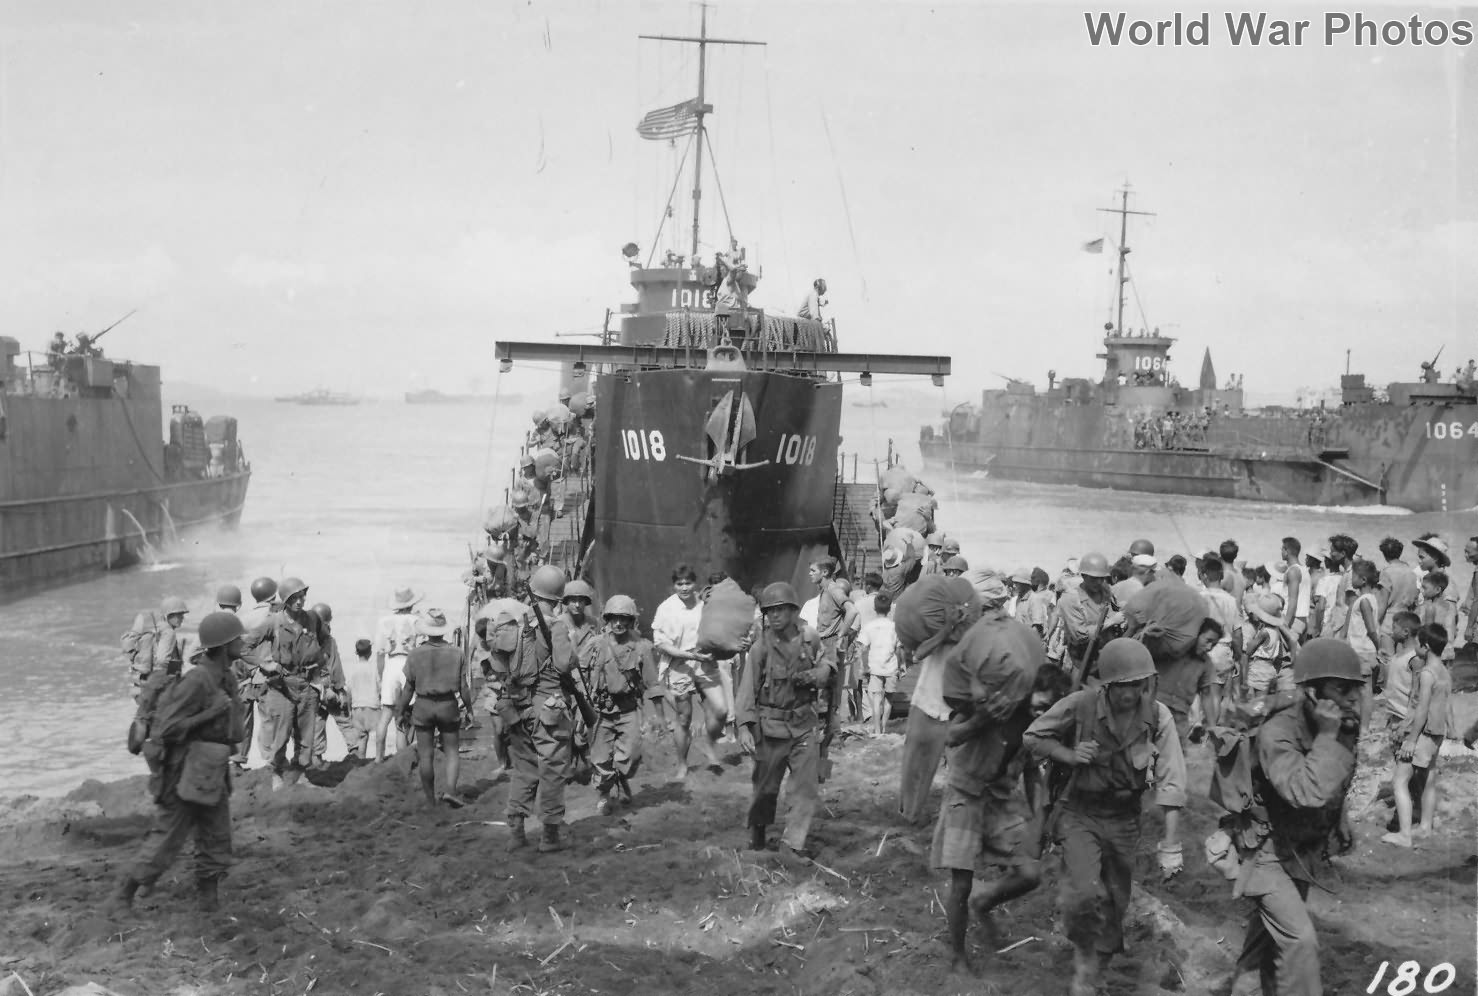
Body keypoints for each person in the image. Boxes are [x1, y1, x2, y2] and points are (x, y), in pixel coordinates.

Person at [1023, 639, 1186, 996]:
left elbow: (1172, 781)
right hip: (1080, 812)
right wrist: (1068, 754)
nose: (1131, 693)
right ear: (1108, 685)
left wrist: (1171, 844)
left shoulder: (1158, 716)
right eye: (1122, 686)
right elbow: (1033, 737)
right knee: (1082, 893)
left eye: (1137, 685)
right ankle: (1084, 959)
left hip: (1124, 818)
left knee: (1115, 899)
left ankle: (1099, 969)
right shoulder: (1081, 705)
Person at [1225, 639, 1361, 996]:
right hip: (1265, 853)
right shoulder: (1278, 733)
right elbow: (1304, 791)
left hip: (1301, 848)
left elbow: (1337, 776)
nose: (1353, 698)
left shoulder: (1340, 723)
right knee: (1299, 940)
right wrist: (1328, 735)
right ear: (1312, 692)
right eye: (1341, 689)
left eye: (1356, 688)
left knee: (1268, 940)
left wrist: (1340, 818)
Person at [930, 576, 1044, 975]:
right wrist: (982, 719)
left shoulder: (1027, 713)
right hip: (965, 792)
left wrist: (1040, 820)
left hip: (1000, 796)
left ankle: (985, 902)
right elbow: (951, 737)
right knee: (961, 883)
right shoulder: (975, 695)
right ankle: (957, 955)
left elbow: (1033, 772)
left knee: (1030, 872)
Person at [109, 611, 246, 914]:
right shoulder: (197, 680)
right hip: (182, 774)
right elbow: (168, 729)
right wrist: (210, 713)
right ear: (225, 645)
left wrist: (229, 707)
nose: (243, 642)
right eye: (238, 638)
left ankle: (209, 902)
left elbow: (235, 733)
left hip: (211, 772)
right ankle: (124, 894)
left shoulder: (227, 679)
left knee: (217, 838)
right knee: (167, 840)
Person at [734, 582, 834, 860]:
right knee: (765, 789)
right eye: (770, 611)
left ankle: (793, 845)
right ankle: (758, 833)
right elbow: (747, 689)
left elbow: (829, 664)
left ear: (793, 611)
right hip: (770, 729)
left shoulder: (810, 639)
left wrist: (820, 674)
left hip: (804, 725)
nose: (775, 615)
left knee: (805, 789)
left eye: (780, 609)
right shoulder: (760, 648)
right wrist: (744, 727)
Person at [894, 575, 983, 824]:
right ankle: (906, 813)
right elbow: (918, 654)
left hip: (950, 711)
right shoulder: (937, 637)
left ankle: (924, 815)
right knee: (912, 764)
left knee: (937, 768)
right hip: (923, 704)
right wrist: (946, 629)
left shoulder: (970, 639)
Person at [248, 577, 325, 788]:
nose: (299, 601)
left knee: (306, 734)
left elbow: (326, 640)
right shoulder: (273, 622)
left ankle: (301, 773)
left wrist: (321, 667)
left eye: (302, 596)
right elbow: (245, 645)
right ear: (285, 600)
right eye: (294, 598)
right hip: (281, 685)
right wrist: (266, 663)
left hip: (306, 683)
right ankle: (277, 773)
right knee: (280, 733)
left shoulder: (312, 619)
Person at [652, 563, 725, 779]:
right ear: (673, 585)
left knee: (720, 710)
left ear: (695, 584)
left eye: (688, 583)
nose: (684, 588)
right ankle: (682, 764)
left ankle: (709, 744)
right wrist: (690, 656)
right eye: (679, 583)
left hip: (705, 662)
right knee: (684, 718)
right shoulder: (666, 608)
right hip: (679, 664)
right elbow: (661, 644)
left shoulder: (704, 605)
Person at [589, 594, 660, 815]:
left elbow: (652, 683)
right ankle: (604, 794)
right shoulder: (596, 645)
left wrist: (659, 716)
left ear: (631, 621)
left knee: (630, 755)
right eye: (614, 618)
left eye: (623, 618)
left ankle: (621, 779)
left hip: (628, 708)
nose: (618, 623)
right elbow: (579, 673)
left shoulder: (641, 647)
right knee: (601, 757)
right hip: (601, 709)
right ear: (607, 620)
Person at [396, 609, 473, 809]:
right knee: (452, 751)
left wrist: (400, 712)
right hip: (448, 705)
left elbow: (408, 688)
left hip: (423, 705)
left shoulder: (415, 654)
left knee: (426, 755)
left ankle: (431, 801)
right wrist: (470, 709)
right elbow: (463, 686)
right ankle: (450, 791)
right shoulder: (456, 652)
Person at [1383, 622, 1451, 847]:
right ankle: (1425, 827)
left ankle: (1404, 835)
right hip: (1437, 733)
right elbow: (1446, 705)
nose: (1416, 648)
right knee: (1429, 778)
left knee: (1399, 781)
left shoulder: (1427, 674)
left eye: (1419, 644)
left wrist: (1411, 740)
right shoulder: (1444, 672)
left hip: (1423, 734)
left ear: (1426, 646)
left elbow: (1422, 710)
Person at [232, 577, 277, 770]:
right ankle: (269, 760)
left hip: (244, 677)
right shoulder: (275, 616)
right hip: (267, 675)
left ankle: (237, 760)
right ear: (273, 595)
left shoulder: (242, 619)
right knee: (268, 719)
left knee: (242, 720)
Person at [372, 586, 423, 762]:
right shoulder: (417, 621)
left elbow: (380, 653)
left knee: (386, 714)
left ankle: (378, 757)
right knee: (407, 712)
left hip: (391, 664)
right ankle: (405, 756)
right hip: (410, 662)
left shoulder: (384, 621)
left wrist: (380, 677)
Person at [1055, 552, 1122, 683]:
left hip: (1106, 658)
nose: (1099, 582)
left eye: (1102, 578)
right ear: (1083, 576)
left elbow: (1113, 611)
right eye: (1093, 578)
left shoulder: (1105, 591)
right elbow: (1080, 636)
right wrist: (1111, 622)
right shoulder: (1071, 599)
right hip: (1082, 663)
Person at [856, 593, 901, 736]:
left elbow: (863, 648)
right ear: (889, 609)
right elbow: (899, 649)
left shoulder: (869, 626)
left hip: (874, 667)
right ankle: (884, 727)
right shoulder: (895, 627)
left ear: (874, 609)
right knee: (889, 699)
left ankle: (877, 730)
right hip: (891, 667)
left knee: (876, 699)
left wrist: (864, 666)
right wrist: (902, 665)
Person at [309, 603, 346, 767]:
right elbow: (333, 665)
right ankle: (356, 752)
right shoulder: (327, 640)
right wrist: (337, 688)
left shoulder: (308, 638)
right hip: (327, 687)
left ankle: (316, 758)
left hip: (315, 686)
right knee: (345, 720)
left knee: (317, 722)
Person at [336, 638, 381, 759]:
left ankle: (361, 762)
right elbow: (379, 687)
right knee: (378, 736)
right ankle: (379, 760)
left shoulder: (352, 669)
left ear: (356, 652)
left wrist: (349, 709)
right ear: (370, 652)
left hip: (357, 708)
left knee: (361, 738)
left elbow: (348, 691)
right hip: (373, 707)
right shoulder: (374, 668)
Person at [1280, 537, 1310, 641]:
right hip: (1302, 620)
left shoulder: (1293, 571)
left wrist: (1285, 624)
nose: (1281, 552)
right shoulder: (1304, 570)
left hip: (1293, 621)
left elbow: (1292, 601)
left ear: (1287, 551)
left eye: (1282, 549)